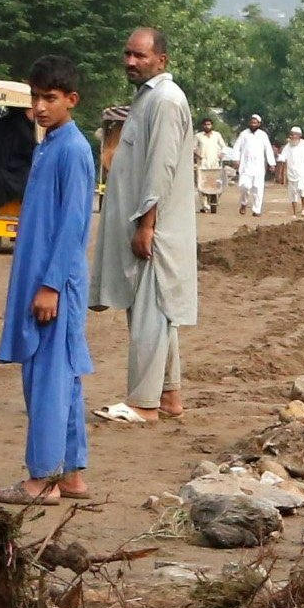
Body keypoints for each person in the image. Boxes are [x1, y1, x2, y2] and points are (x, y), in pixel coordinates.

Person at [0, 56, 95, 503]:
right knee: (62, 375)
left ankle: (40, 480)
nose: (40, 107)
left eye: (50, 98)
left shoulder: (73, 149)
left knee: (49, 377)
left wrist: (51, 284)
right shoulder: (48, 145)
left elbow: (73, 225)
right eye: (35, 98)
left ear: (71, 100)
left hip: (56, 284)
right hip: (41, 278)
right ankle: (70, 476)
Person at [87, 27, 198, 425]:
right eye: (128, 54)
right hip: (147, 226)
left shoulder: (166, 101)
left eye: (141, 56)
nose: (131, 62)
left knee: (150, 314)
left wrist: (146, 225)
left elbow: (160, 170)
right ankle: (168, 398)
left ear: (161, 60)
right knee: (156, 312)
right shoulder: (147, 99)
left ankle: (143, 404)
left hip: (156, 230)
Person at [230, 114, 275, 217]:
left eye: (255, 123)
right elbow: (237, 147)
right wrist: (236, 159)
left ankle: (256, 210)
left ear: (259, 124)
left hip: (259, 167)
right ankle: (244, 203)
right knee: (244, 187)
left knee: (258, 189)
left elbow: (268, 149)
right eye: (251, 122)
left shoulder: (263, 135)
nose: (253, 124)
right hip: (246, 166)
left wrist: (272, 163)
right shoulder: (244, 134)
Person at [193, 112, 228, 215]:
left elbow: (224, 147)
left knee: (215, 185)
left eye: (209, 124)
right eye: (205, 124)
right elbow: (193, 148)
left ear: (211, 125)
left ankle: (213, 202)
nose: (207, 126)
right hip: (202, 163)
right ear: (202, 126)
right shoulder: (198, 136)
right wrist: (197, 154)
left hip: (214, 163)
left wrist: (222, 154)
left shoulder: (217, 135)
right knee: (202, 184)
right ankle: (205, 205)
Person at [279, 125, 304, 218]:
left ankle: (303, 209)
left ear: (299, 136)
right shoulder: (288, 146)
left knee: (303, 192)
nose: (291, 136)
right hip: (291, 175)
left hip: (303, 174)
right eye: (291, 134)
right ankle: (294, 213)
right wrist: (280, 174)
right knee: (293, 194)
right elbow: (282, 160)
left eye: (294, 135)